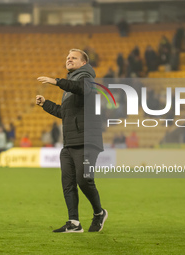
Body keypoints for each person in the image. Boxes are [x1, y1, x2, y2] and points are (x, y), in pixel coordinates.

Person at [35, 49, 107, 233]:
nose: (69, 59)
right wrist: (46, 104)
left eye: (73, 57)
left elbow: (80, 88)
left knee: (84, 181)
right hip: (69, 143)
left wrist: (57, 81)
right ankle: (74, 223)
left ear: (83, 63)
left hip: (86, 141)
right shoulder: (70, 87)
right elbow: (64, 114)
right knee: (68, 183)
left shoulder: (87, 78)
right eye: (67, 57)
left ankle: (99, 213)